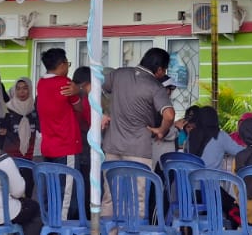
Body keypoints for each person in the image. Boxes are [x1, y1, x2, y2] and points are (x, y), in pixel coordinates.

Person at [101, 48, 175, 219]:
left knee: (110, 195)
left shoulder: (118, 74)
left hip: (112, 145)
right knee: (136, 198)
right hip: (138, 150)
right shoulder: (155, 86)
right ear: (159, 69)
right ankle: (133, 230)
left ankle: (109, 230)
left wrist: (104, 112)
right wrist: (161, 130)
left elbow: (94, 86)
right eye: (164, 70)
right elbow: (169, 115)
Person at [36, 49, 83, 217]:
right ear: (62, 64)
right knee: (67, 192)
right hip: (66, 144)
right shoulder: (65, 83)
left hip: (48, 145)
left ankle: (50, 221)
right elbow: (78, 106)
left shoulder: (41, 83)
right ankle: (62, 225)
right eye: (67, 64)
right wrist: (78, 91)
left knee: (52, 188)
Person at [70, 66, 95, 217]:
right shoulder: (85, 98)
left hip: (74, 147)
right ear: (86, 83)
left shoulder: (72, 97)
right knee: (86, 185)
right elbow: (93, 123)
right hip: (86, 148)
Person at [5, 78, 38, 159]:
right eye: (18, 89)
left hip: (32, 155)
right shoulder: (6, 109)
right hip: (11, 156)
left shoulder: (36, 108)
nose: (21, 92)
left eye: (25, 88)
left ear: (30, 89)